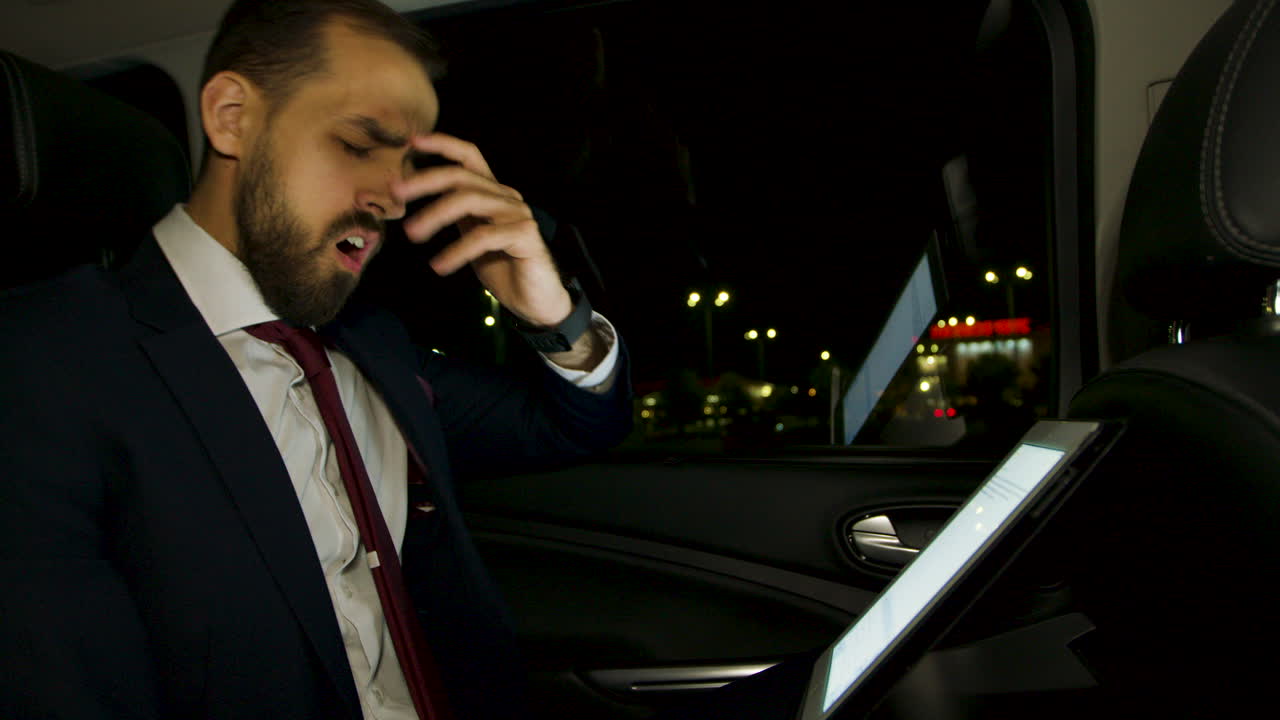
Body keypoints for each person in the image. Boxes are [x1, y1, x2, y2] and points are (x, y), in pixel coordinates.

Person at [0, 1, 632, 719]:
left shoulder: (375, 345)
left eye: (407, 164)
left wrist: (545, 310)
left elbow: (575, 423)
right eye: (361, 145)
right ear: (233, 116)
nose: (390, 201)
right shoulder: (42, 362)